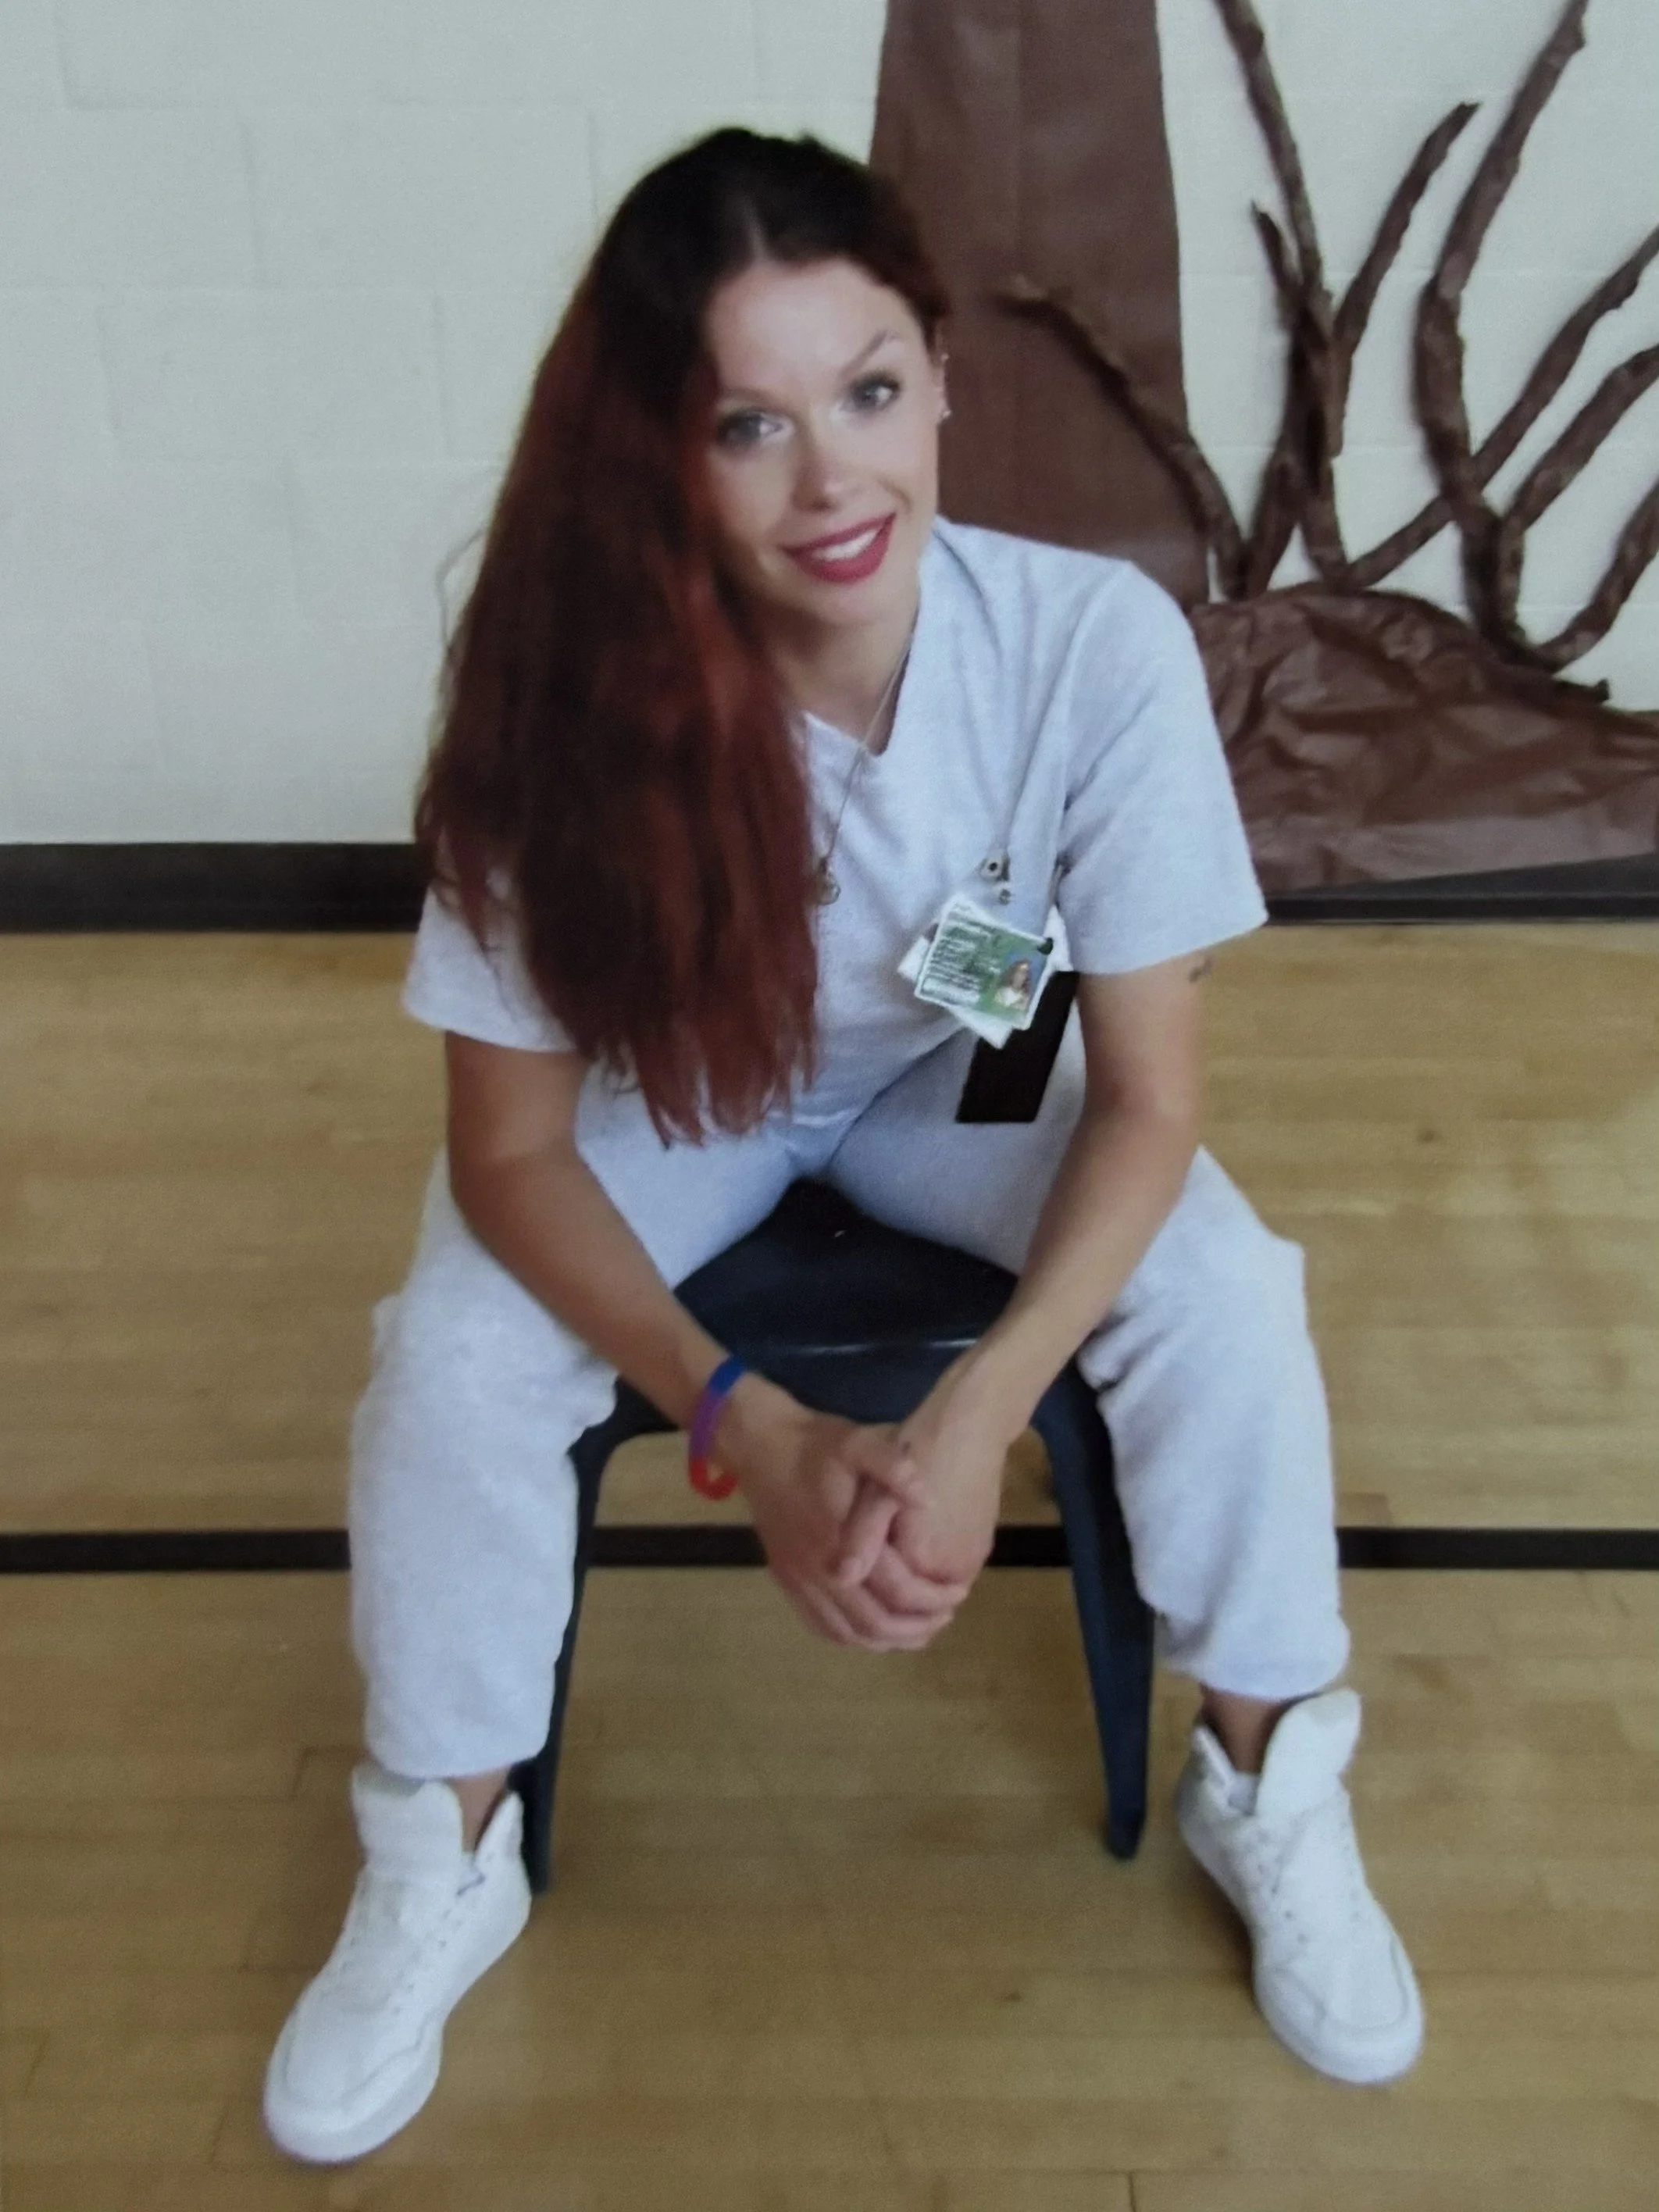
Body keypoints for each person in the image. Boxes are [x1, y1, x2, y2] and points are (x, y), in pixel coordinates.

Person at [262, 126, 1423, 2165]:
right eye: (750, 424)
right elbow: (512, 1158)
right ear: (658, 453)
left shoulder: (1089, 647)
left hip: (956, 1059)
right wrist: (752, 1426)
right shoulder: (562, 698)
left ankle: (1268, 1774)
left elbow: (1147, 1099)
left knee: (1224, 1290)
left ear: (940, 376)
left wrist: (979, 1411)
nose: (833, 481)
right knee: (449, 1358)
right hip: (673, 1086)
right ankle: (443, 1838)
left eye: (870, 390)